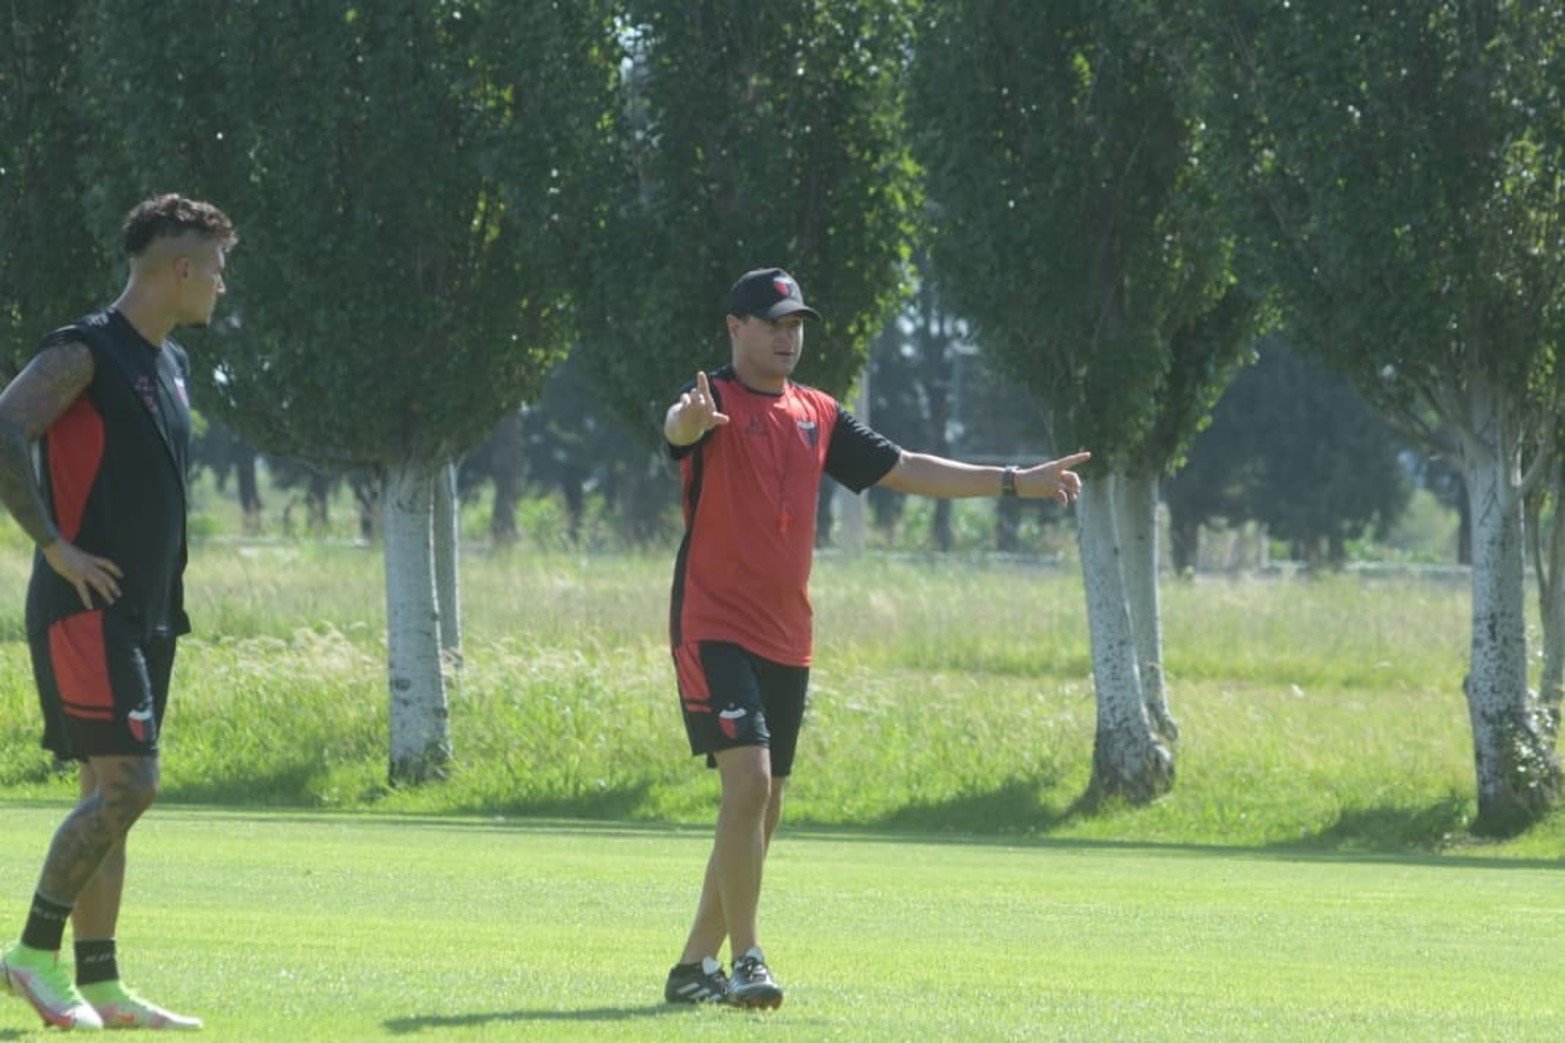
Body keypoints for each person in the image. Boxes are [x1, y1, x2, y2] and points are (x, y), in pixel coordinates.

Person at [660, 267, 1089, 1009]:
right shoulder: (715, 404)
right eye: (773, 323)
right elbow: (676, 427)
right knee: (750, 784)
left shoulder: (817, 412)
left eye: (796, 324)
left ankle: (693, 963)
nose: (788, 335)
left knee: (762, 805)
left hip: (786, 634)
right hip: (713, 625)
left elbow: (909, 468)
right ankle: (747, 956)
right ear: (735, 328)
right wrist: (688, 419)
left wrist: (1014, 480)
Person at [0, 193, 234, 1031]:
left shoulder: (168, 362)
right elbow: (5, 423)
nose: (219, 286)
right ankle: (29, 953)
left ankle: (101, 983)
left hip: (143, 613)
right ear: (178, 268)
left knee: (110, 792)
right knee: (132, 783)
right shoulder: (85, 348)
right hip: (82, 607)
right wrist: (55, 545)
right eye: (214, 268)